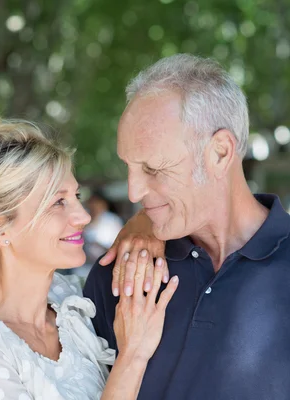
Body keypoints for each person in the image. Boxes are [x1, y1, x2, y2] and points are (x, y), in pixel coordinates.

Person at [0, 114, 178, 399]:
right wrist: (134, 355)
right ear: (0, 228)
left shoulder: (72, 305)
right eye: (57, 202)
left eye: (76, 197)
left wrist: (146, 224)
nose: (82, 216)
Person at [84, 53, 290, 399]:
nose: (134, 191)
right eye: (129, 167)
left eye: (153, 169)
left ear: (220, 153)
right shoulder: (121, 276)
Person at [78, 190, 123, 277]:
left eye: (97, 203)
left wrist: (99, 245)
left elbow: (118, 246)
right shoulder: (83, 218)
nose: (94, 206)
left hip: (105, 265)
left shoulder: (112, 220)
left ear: (104, 204)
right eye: (91, 203)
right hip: (82, 268)